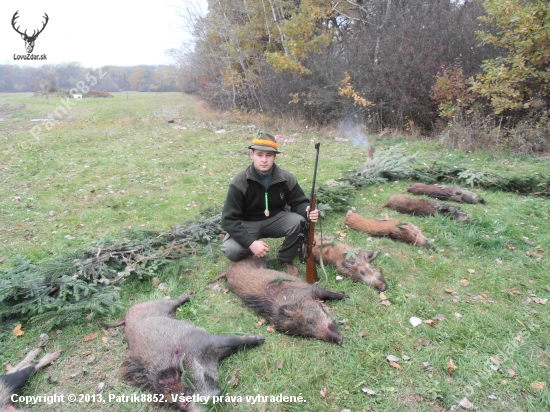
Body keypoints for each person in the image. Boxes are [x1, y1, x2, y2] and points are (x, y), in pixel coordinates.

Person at [221, 132, 319, 276]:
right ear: (252, 155)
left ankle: (285, 259)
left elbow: (298, 202)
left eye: (269, 155)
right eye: (260, 155)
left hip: (275, 219)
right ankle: (251, 255)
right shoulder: (239, 182)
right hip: (248, 224)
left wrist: (308, 209)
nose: (264, 160)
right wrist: (251, 243)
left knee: (299, 221)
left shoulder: (286, 178)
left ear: (274, 157)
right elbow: (228, 220)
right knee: (231, 250)